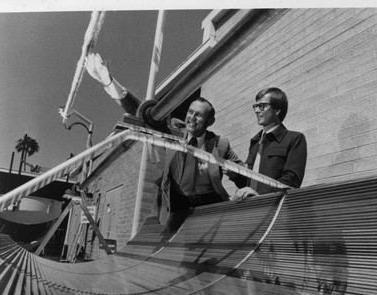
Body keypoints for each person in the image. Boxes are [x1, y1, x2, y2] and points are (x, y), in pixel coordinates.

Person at [84, 53, 245, 222]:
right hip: (175, 211)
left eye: (198, 115)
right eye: (190, 112)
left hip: (209, 213)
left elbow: (245, 179)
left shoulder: (221, 145)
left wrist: (232, 172)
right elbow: (143, 113)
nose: (191, 118)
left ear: (210, 121)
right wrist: (108, 82)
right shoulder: (173, 132)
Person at [233, 87, 307, 201]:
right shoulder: (255, 142)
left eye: (262, 106)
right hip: (249, 207)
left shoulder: (295, 139)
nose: (257, 110)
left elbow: (291, 181)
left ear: (277, 110)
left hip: (273, 208)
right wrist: (233, 174)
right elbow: (251, 181)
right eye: (256, 106)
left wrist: (261, 197)